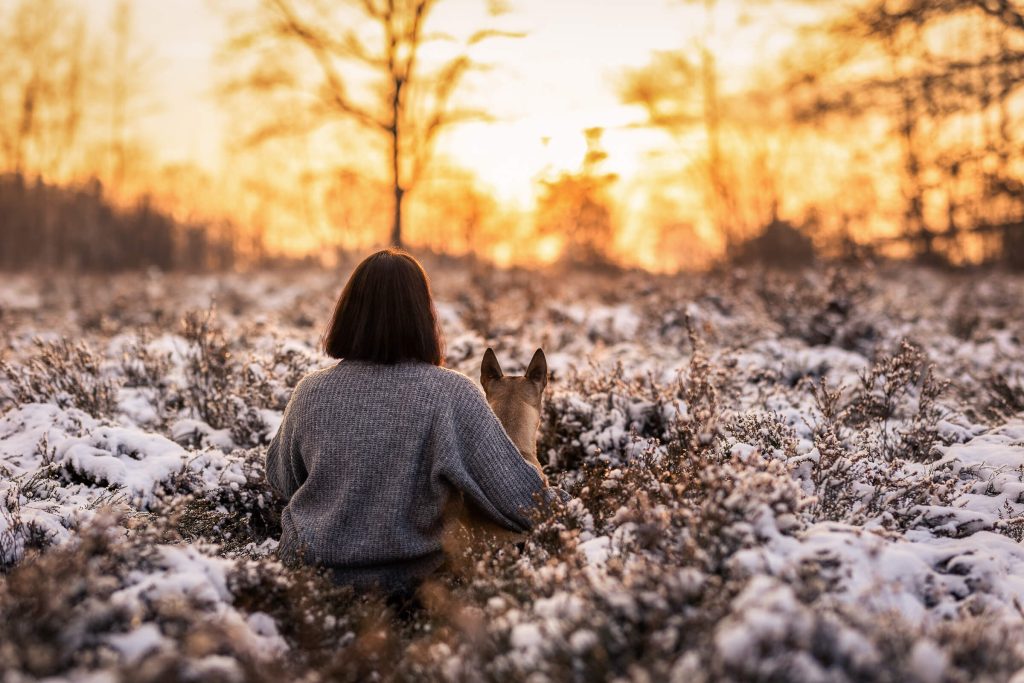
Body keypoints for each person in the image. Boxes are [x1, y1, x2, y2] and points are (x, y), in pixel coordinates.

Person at [265, 248, 551, 597]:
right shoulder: (451, 394)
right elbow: (525, 501)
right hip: (410, 589)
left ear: (347, 313)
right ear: (424, 316)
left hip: (306, 582)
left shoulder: (310, 392)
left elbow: (282, 479)